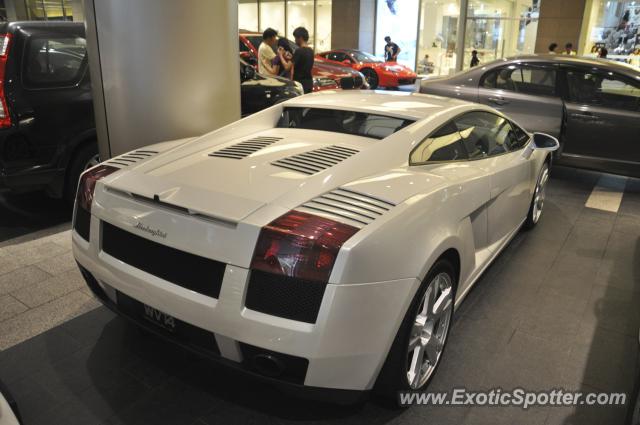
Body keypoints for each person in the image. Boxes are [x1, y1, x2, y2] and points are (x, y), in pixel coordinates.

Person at [291, 27, 314, 93]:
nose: (295, 40)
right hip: (309, 82)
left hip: (300, 83)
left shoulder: (299, 51)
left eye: (295, 38)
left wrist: (280, 55)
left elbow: (287, 67)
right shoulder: (311, 51)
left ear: (300, 38)